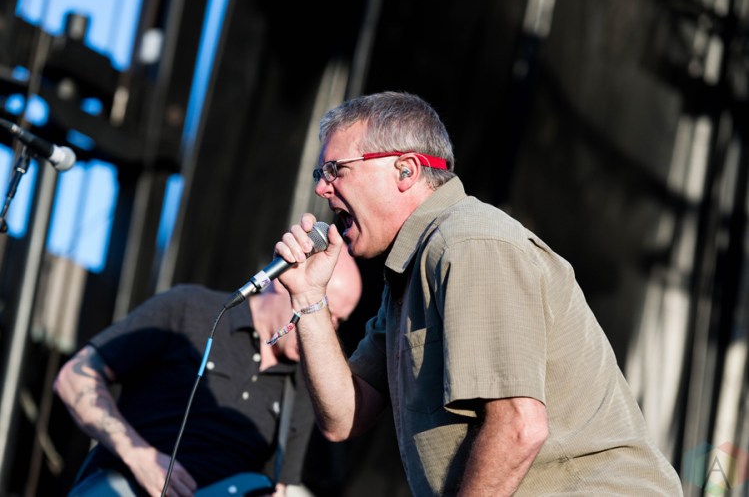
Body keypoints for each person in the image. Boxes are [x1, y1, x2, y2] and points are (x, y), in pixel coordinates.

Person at [273, 91, 684, 496]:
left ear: (405, 171)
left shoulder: (467, 243)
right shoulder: (411, 269)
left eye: (336, 170)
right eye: (319, 174)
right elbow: (344, 416)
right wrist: (309, 298)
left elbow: (519, 426)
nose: (322, 188)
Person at [54, 249, 362, 497]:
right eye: (324, 311)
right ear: (286, 281)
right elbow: (74, 378)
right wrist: (139, 455)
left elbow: (276, 487)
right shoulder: (189, 308)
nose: (329, 328)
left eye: (339, 321)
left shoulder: (306, 386)